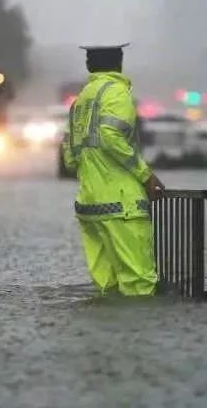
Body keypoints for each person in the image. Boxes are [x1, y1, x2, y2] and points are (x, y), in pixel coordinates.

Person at [61, 43, 164, 297]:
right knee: (140, 283)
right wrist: (145, 175)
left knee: (108, 287)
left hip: (89, 207)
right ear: (120, 63)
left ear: (89, 66)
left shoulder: (81, 101)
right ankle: (139, 335)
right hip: (122, 205)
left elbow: (69, 158)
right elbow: (110, 136)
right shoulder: (117, 93)